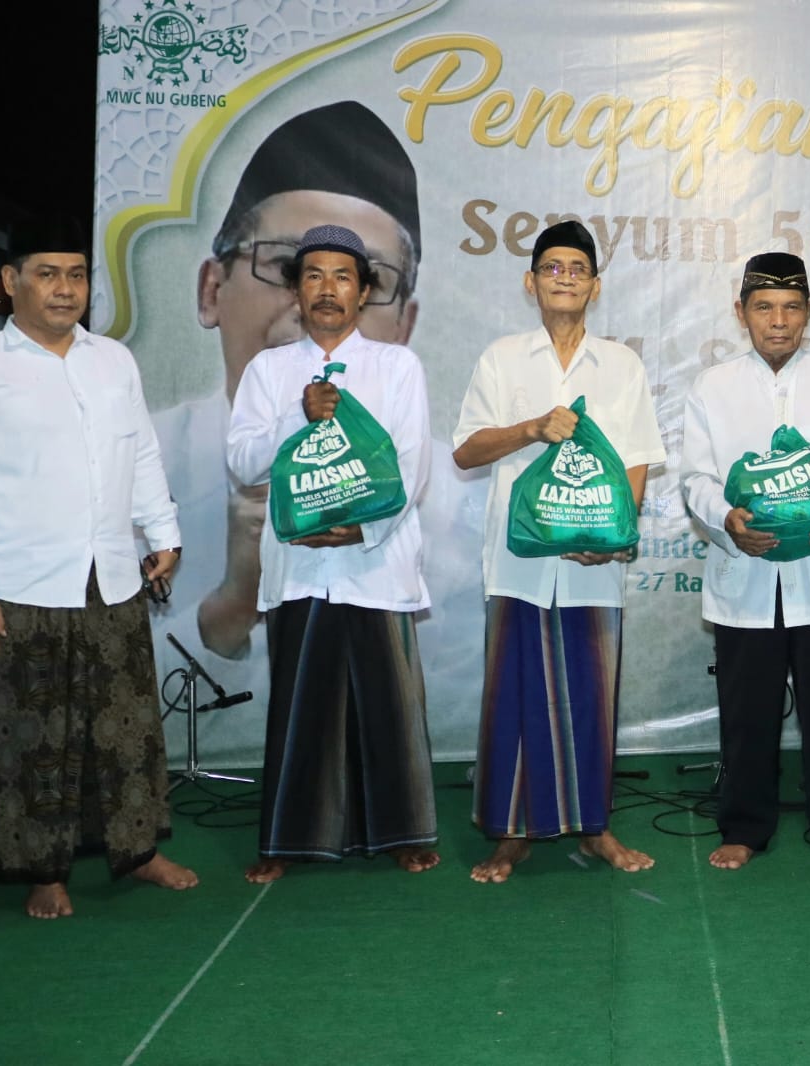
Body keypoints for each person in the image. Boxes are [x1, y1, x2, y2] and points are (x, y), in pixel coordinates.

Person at [149, 101, 487, 766]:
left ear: (401, 321)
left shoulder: (460, 512)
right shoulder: (147, 463)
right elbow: (124, 697)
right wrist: (230, 604)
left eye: (359, 279)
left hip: (376, 587)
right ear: (212, 289)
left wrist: (361, 529)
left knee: (386, 749)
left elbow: (460, 707)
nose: (321, 297)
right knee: (301, 751)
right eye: (290, 270)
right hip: (286, 605)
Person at [0, 221, 198, 919]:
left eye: (76, 275)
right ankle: (43, 872)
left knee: (127, 727)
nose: (65, 289)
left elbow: (141, 452)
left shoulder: (113, 361)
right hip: (20, 584)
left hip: (112, 574)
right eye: (47, 274)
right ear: (10, 281)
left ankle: (138, 851)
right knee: (32, 733)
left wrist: (164, 533)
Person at [453, 220, 665, 884]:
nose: (565, 278)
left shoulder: (621, 365)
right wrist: (531, 428)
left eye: (577, 269)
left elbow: (637, 460)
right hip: (516, 564)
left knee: (590, 701)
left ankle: (594, 829)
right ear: (531, 282)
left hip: (593, 567)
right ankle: (511, 835)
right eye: (552, 268)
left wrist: (616, 538)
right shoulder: (501, 358)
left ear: (595, 286)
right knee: (514, 699)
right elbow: (467, 451)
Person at [226, 224, 439, 882]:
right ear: (295, 289)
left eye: (343, 277)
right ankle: (287, 838)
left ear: (364, 291)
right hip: (299, 566)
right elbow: (243, 463)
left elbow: (412, 468)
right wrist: (298, 414)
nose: (327, 289)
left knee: (389, 706)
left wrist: (362, 531)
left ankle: (402, 832)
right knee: (302, 707)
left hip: (376, 563)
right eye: (313, 275)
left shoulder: (397, 367)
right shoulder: (268, 371)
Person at [681, 251, 810, 871]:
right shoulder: (712, 387)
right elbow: (695, 478)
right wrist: (727, 520)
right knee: (747, 712)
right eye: (764, 307)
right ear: (741, 312)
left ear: (808, 312)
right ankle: (744, 827)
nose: (779, 321)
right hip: (745, 575)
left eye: (791, 307)